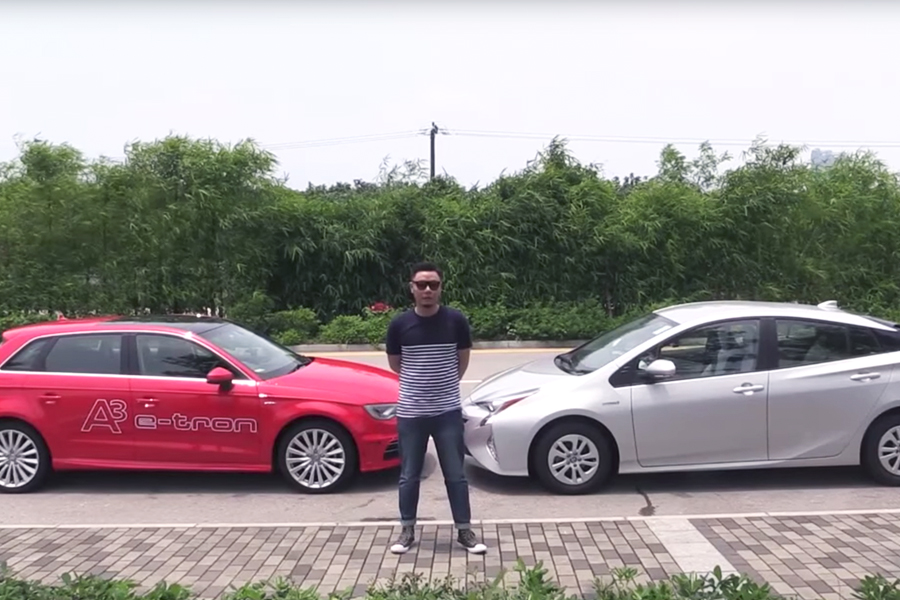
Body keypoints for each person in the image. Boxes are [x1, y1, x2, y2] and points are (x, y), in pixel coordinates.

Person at [384, 261, 487, 555]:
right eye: (421, 284)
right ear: (412, 288)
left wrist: (443, 387)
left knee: (456, 474)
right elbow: (396, 365)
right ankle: (407, 530)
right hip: (411, 413)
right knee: (409, 475)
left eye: (433, 284)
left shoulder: (455, 320)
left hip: (447, 413)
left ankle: (464, 531)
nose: (427, 289)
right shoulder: (399, 325)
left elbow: (461, 361)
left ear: (440, 288)